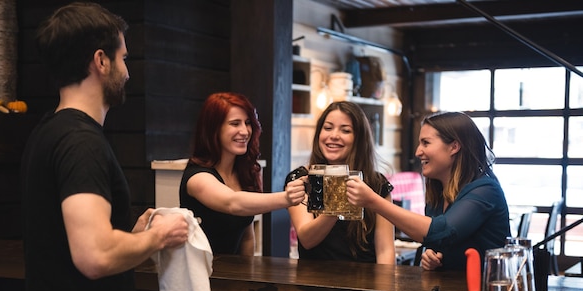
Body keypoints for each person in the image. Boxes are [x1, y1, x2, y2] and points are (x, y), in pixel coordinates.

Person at [20, 3, 189, 291]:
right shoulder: (82, 143)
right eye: (123, 58)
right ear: (100, 61)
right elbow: (94, 256)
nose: (128, 71)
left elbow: (76, 240)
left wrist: (130, 234)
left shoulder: (49, 131)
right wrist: (157, 237)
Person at [347, 111, 511, 271]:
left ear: (454, 146)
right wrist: (432, 258)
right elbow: (438, 242)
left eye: (426, 143)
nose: (418, 152)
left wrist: (373, 201)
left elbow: (441, 232)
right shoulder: (438, 193)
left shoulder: (486, 190)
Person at [179, 92, 306, 255]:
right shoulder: (196, 177)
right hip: (201, 275)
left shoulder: (244, 171)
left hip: (234, 275)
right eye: (235, 123)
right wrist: (287, 198)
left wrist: (248, 277)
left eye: (247, 123)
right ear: (213, 129)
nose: (245, 131)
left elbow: (247, 237)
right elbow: (233, 203)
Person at [288, 101, 396, 264]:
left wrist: (386, 289)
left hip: (366, 284)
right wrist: (338, 202)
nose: (334, 135)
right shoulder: (303, 179)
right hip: (314, 285)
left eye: (345, 130)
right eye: (328, 128)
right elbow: (307, 239)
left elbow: (385, 250)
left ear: (359, 139)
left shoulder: (375, 183)